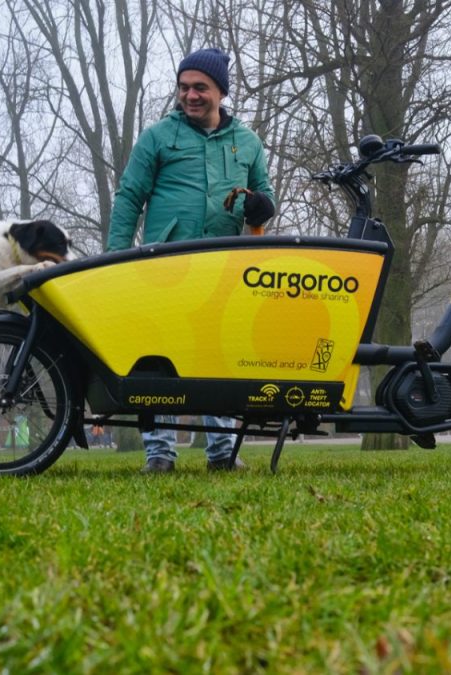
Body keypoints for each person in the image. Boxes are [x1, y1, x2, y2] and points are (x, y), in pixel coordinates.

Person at [108, 47, 276, 473]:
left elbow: (265, 193)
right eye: (183, 87)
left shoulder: (247, 142)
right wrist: (115, 258)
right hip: (163, 265)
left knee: (216, 357)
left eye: (200, 87)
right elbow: (129, 197)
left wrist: (261, 207)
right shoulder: (158, 138)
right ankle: (159, 453)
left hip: (223, 266)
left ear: (220, 91)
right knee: (157, 360)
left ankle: (222, 451)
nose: (190, 95)